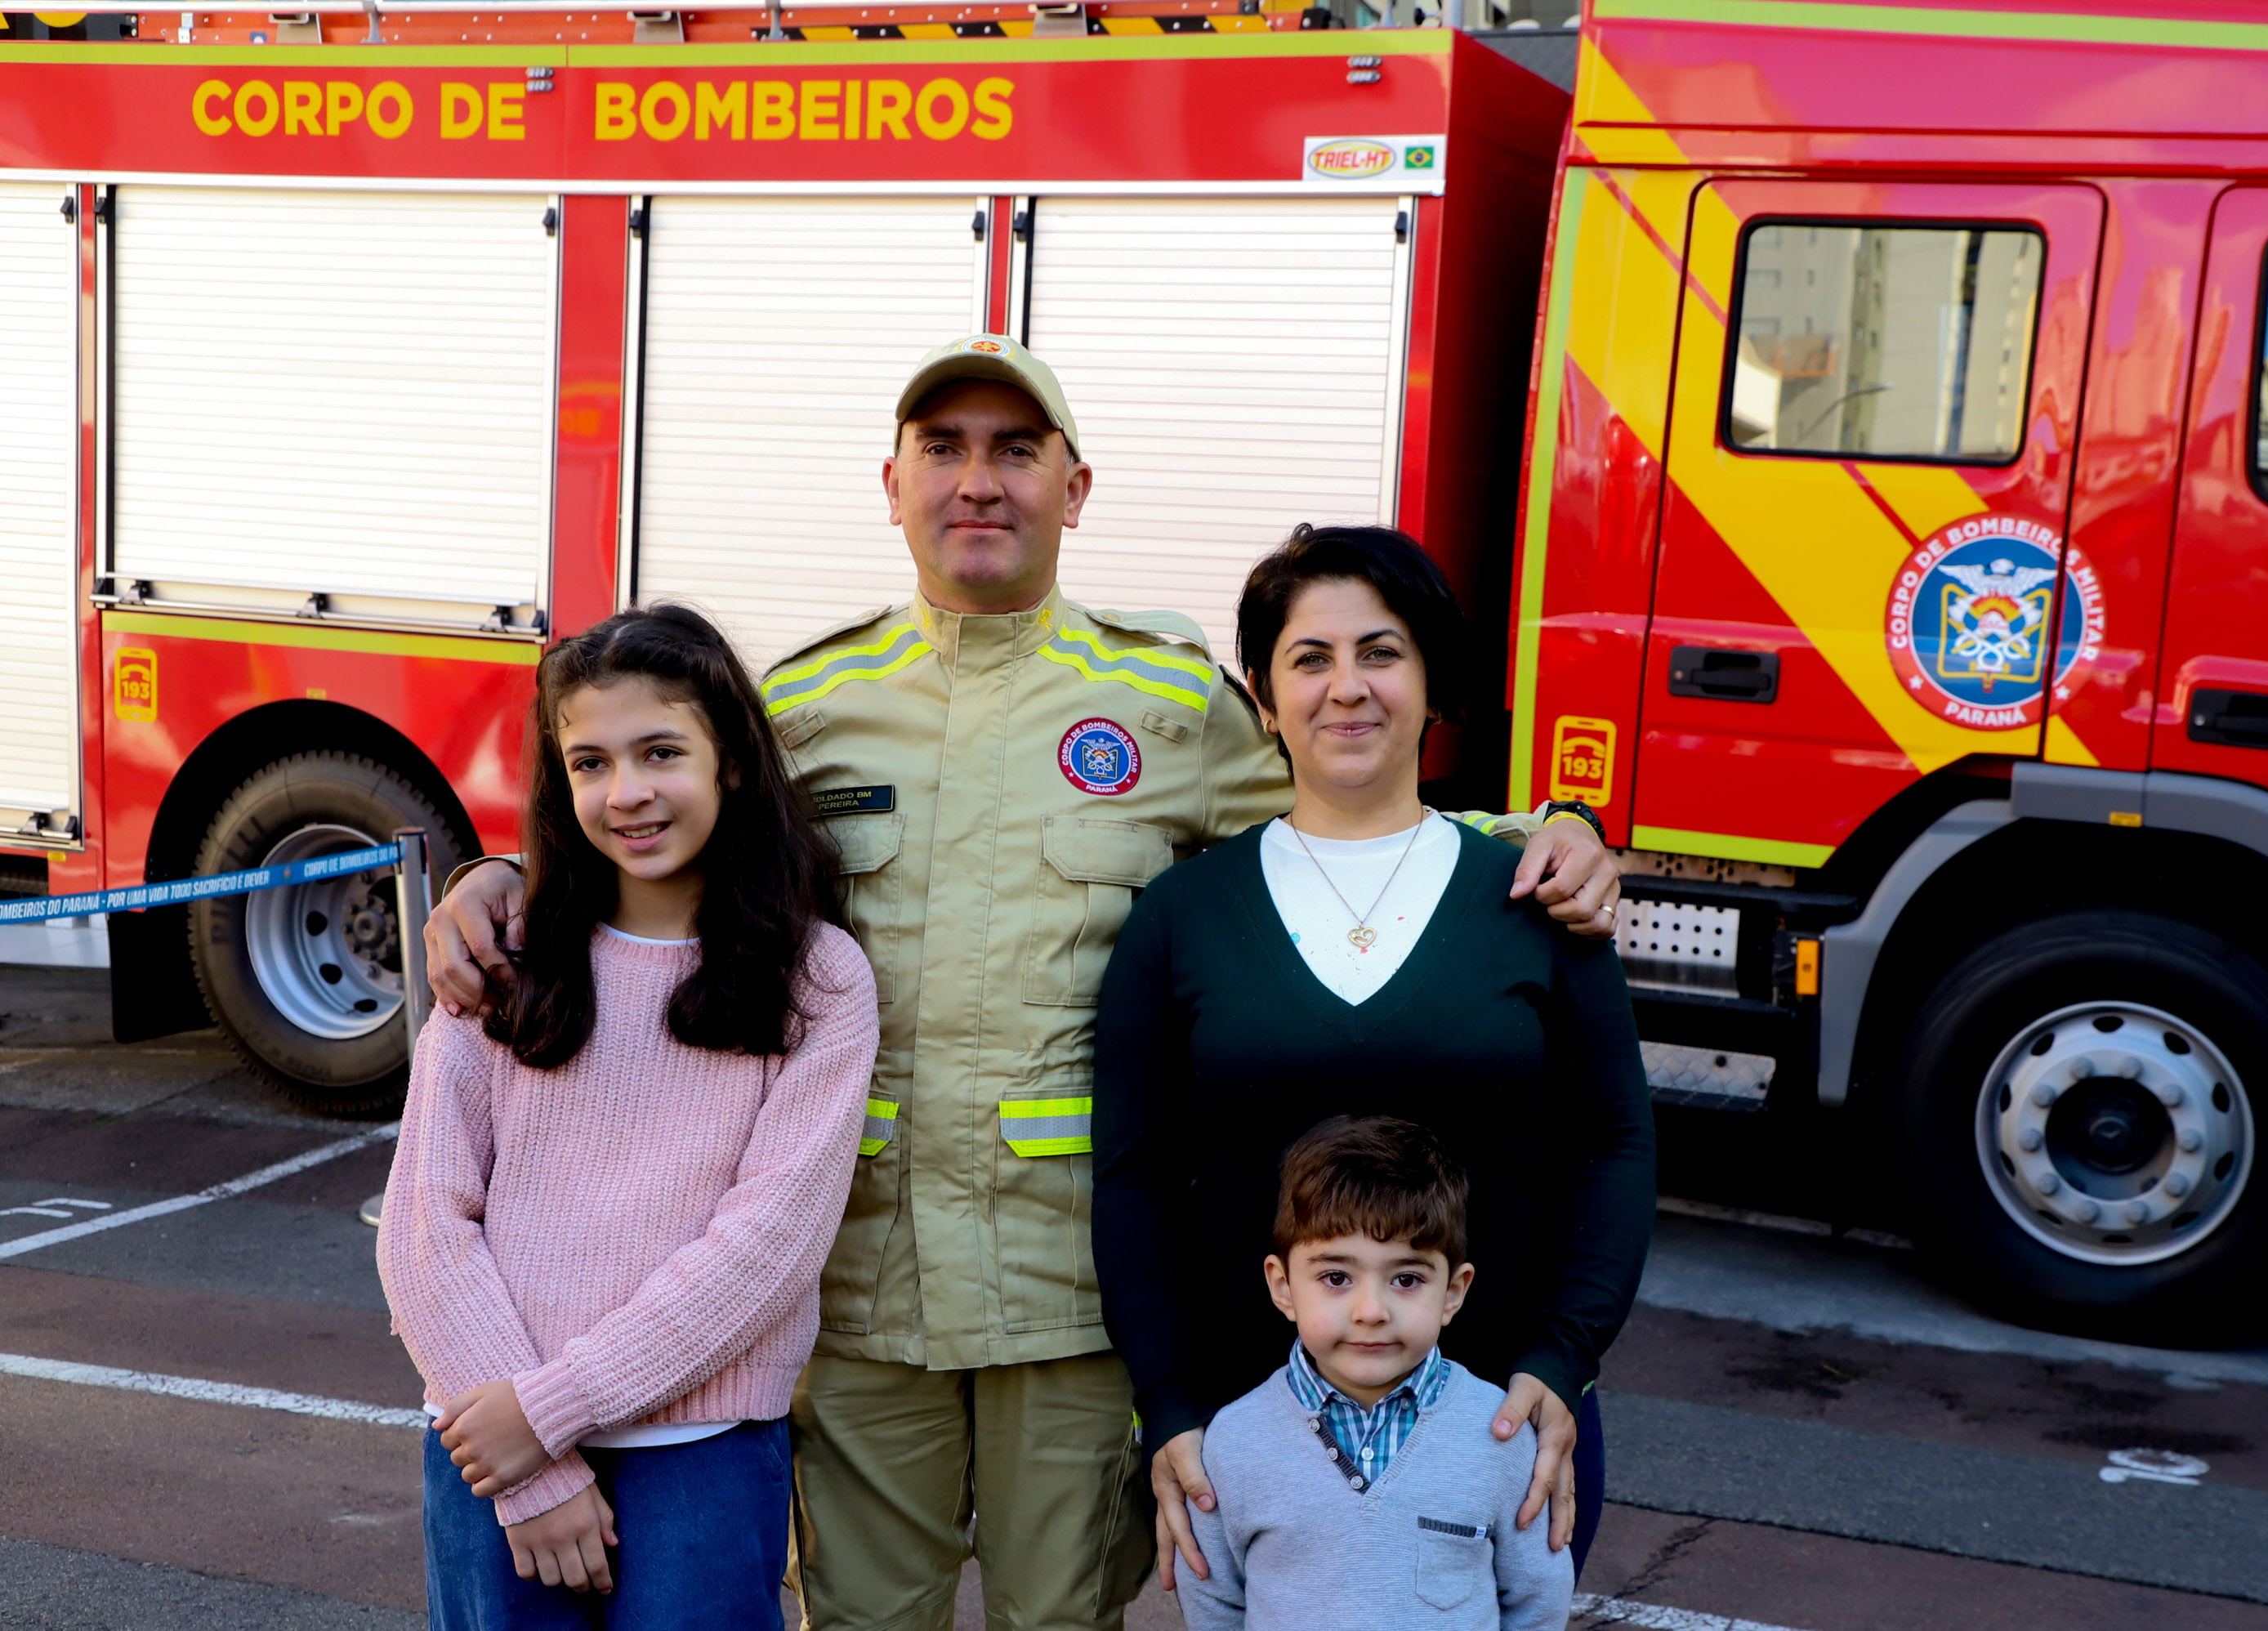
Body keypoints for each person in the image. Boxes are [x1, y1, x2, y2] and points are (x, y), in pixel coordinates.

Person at [421, 336, 1624, 1631]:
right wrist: (498, 877)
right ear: (893, 484)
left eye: (1016, 450)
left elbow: (1348, 806)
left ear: (1076, 485)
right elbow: (662, 837)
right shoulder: (808, 702)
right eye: (944, 449)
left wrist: (1537, 832)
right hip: (861, 1289)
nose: (977, 481)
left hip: (1069, 1295)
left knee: (1059, 1623)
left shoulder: (1166, 701)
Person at [1092, 524, 1656, 1595]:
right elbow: (1134, 1174)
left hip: (1498, 1420)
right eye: (1310, 659)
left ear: (1432, 680)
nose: (1346, 687)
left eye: (1381, 652)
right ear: (1264, 698)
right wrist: (1168, 1402)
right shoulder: (1184, 915)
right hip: (1253, 1429)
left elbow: (1615, 1147)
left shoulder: (1534, 897)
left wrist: (1561, 1360)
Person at [377, 605, 878, 1629]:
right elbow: (427, 1226)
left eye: (661, 752)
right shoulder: (502, 958)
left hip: (699, 1451)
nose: (629, 792)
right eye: (591, 762)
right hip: (490, 1444)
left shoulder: (819, 977)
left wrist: (552, 1411)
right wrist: (532, 1469)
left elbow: (767, 1248)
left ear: (731, 758)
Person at [1177, 1116, 1574, 1631]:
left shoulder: (1499, 1434)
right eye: (1336, 1277)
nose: (1371, 1310)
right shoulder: (1234, 1441)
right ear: (1282, 1286)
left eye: (1406, 1279)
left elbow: (1537, 1599)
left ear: (1453, 1291)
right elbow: (1214, 1604)